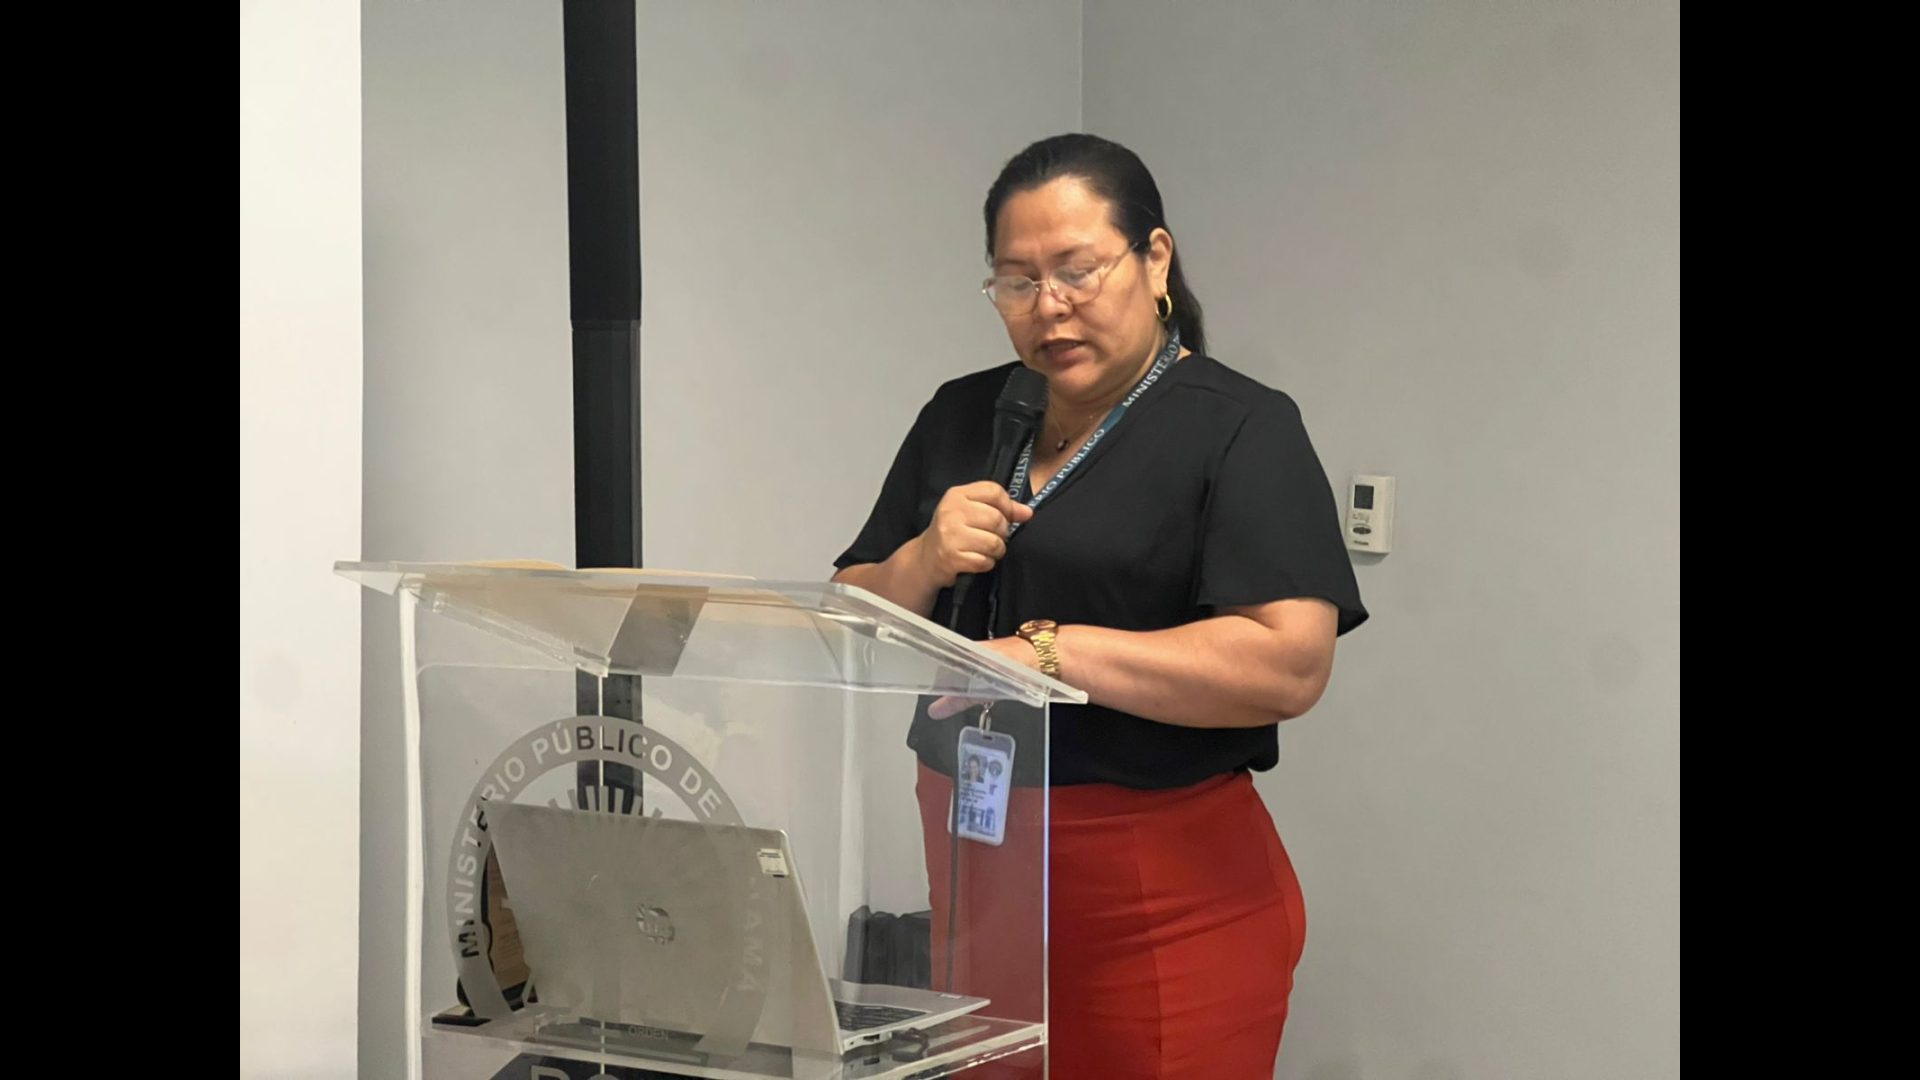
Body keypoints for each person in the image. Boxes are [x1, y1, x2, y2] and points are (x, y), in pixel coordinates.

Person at [832, 133, 1367, 1077]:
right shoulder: (962, 414)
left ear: (1154, 260)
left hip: (1158, 892)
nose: (1049, 305)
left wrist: (1053, 655)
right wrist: (921, 558)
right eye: (1017, 281)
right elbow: (846, 617)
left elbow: (1291, 662)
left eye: (1078, 271)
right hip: (974, 864)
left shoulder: (1241, 426)